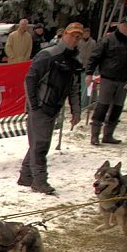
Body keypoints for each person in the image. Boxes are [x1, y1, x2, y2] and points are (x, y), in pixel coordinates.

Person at [18, 23, 84, 195]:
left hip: (54, 107)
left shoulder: (74, 60)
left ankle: (26, 176)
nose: (74, 40)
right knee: (40, 145)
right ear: (64, 34)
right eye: (72, 35)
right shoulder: (48, 55)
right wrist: (34, 105)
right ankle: (39, 181)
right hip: (41, 107)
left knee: (37, 143)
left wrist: (76, 111)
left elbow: (75, 88)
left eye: (78, 37)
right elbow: (30, 79)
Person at [86, 15, 127, 145]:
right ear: (120, 25)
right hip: (107, 78)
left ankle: (108, 134)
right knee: (102, 106)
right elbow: (95, 56)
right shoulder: (108, 39)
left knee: (117, 108)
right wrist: (89, 73)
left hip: (124, 80)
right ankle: (95, 135)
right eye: (126, 26)